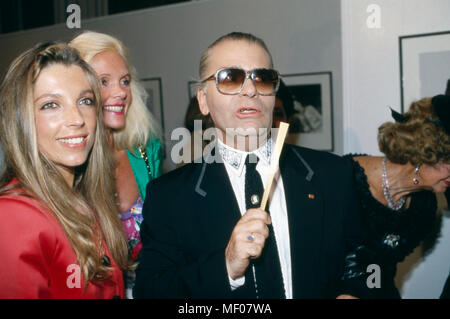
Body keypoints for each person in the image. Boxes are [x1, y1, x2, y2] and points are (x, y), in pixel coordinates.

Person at [134, 32, 369, 299]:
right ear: (203, 100)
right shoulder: (169, 197)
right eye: (230, 78)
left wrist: (353, 293)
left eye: (262, 78)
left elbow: (365, 264)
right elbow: (151, 292)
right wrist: (226, 267)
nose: (250, 90)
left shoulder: (332, 175)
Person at [0, 42, 128, 298]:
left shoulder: (84, 203)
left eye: (85, 101)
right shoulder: (13, 217)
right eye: (51, 105)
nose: (77, 119)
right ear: (21, 118)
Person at [70, 31, 163, 298]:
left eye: (124, 81)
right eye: (103, 81)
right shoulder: (67, 164)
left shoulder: (147, 150)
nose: (120, 92)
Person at [343, 95, 450, 298]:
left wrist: (361, 291)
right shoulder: (344, 179)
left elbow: (377, 270)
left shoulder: (423, 208)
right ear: (425, 152)